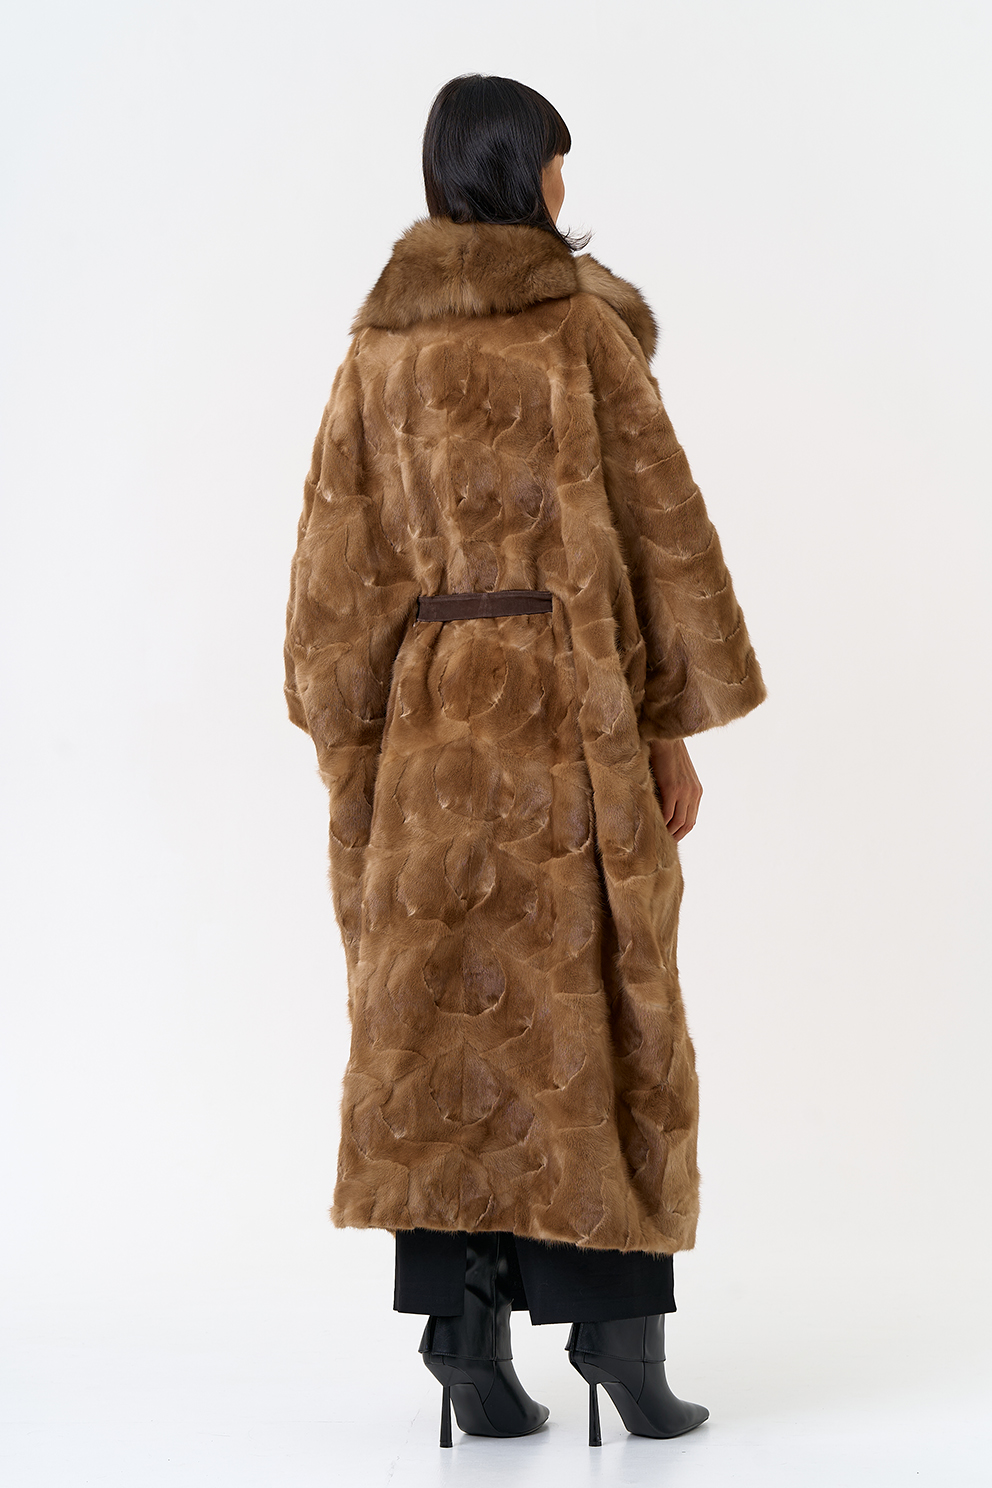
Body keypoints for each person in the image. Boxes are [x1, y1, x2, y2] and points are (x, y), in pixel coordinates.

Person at [283, 73, 768, 1448]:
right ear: (517, 170)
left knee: (440, 1025)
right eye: (556, 160)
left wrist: (355, 750)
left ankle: (465, 1345)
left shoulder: (375, 355)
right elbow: (662, 531)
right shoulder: (578, 331)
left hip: (431, 726)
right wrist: (667, 725)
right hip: (571, 719)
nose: (566, 183)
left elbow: (332, 576)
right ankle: (620, 1340)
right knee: (595, 1014)